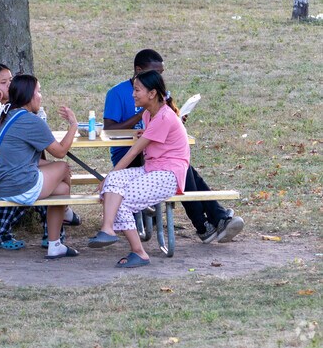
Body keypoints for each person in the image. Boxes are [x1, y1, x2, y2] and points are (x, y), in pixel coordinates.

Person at [102, 49, 244, 243]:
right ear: (139, 70)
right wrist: (145, 113)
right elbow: (109, 129)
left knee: (182, 167)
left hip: (156, 155)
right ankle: (210, 222)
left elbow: (164, 119)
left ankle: (213, 221)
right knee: (183, 168)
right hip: (128, 153)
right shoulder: (118, 93)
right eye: (155, 73)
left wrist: (175, 120)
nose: (159, 78)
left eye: (161, 73)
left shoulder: (154, 95)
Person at [0, 65, 80, 250]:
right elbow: (61, 151)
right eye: (38, 91)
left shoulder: (2, 117)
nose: (41, 96)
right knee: (63, 167)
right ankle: (65, 212)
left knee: (61, 189)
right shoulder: (32, 121)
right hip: (17, 186)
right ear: (29, 95)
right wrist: (73, 125)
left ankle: (55, 244)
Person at [89, 70, 189, 267]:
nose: (133, 94)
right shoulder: (148, 114)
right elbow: (156, 138)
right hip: (152, 169)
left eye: (137, 90)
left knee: (122, 200)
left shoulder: (163, 117)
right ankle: (107, 229)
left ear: (152, 94)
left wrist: (105, 178)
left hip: (169, 175)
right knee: (114, 182)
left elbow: (133, 153)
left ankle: (139, 253)